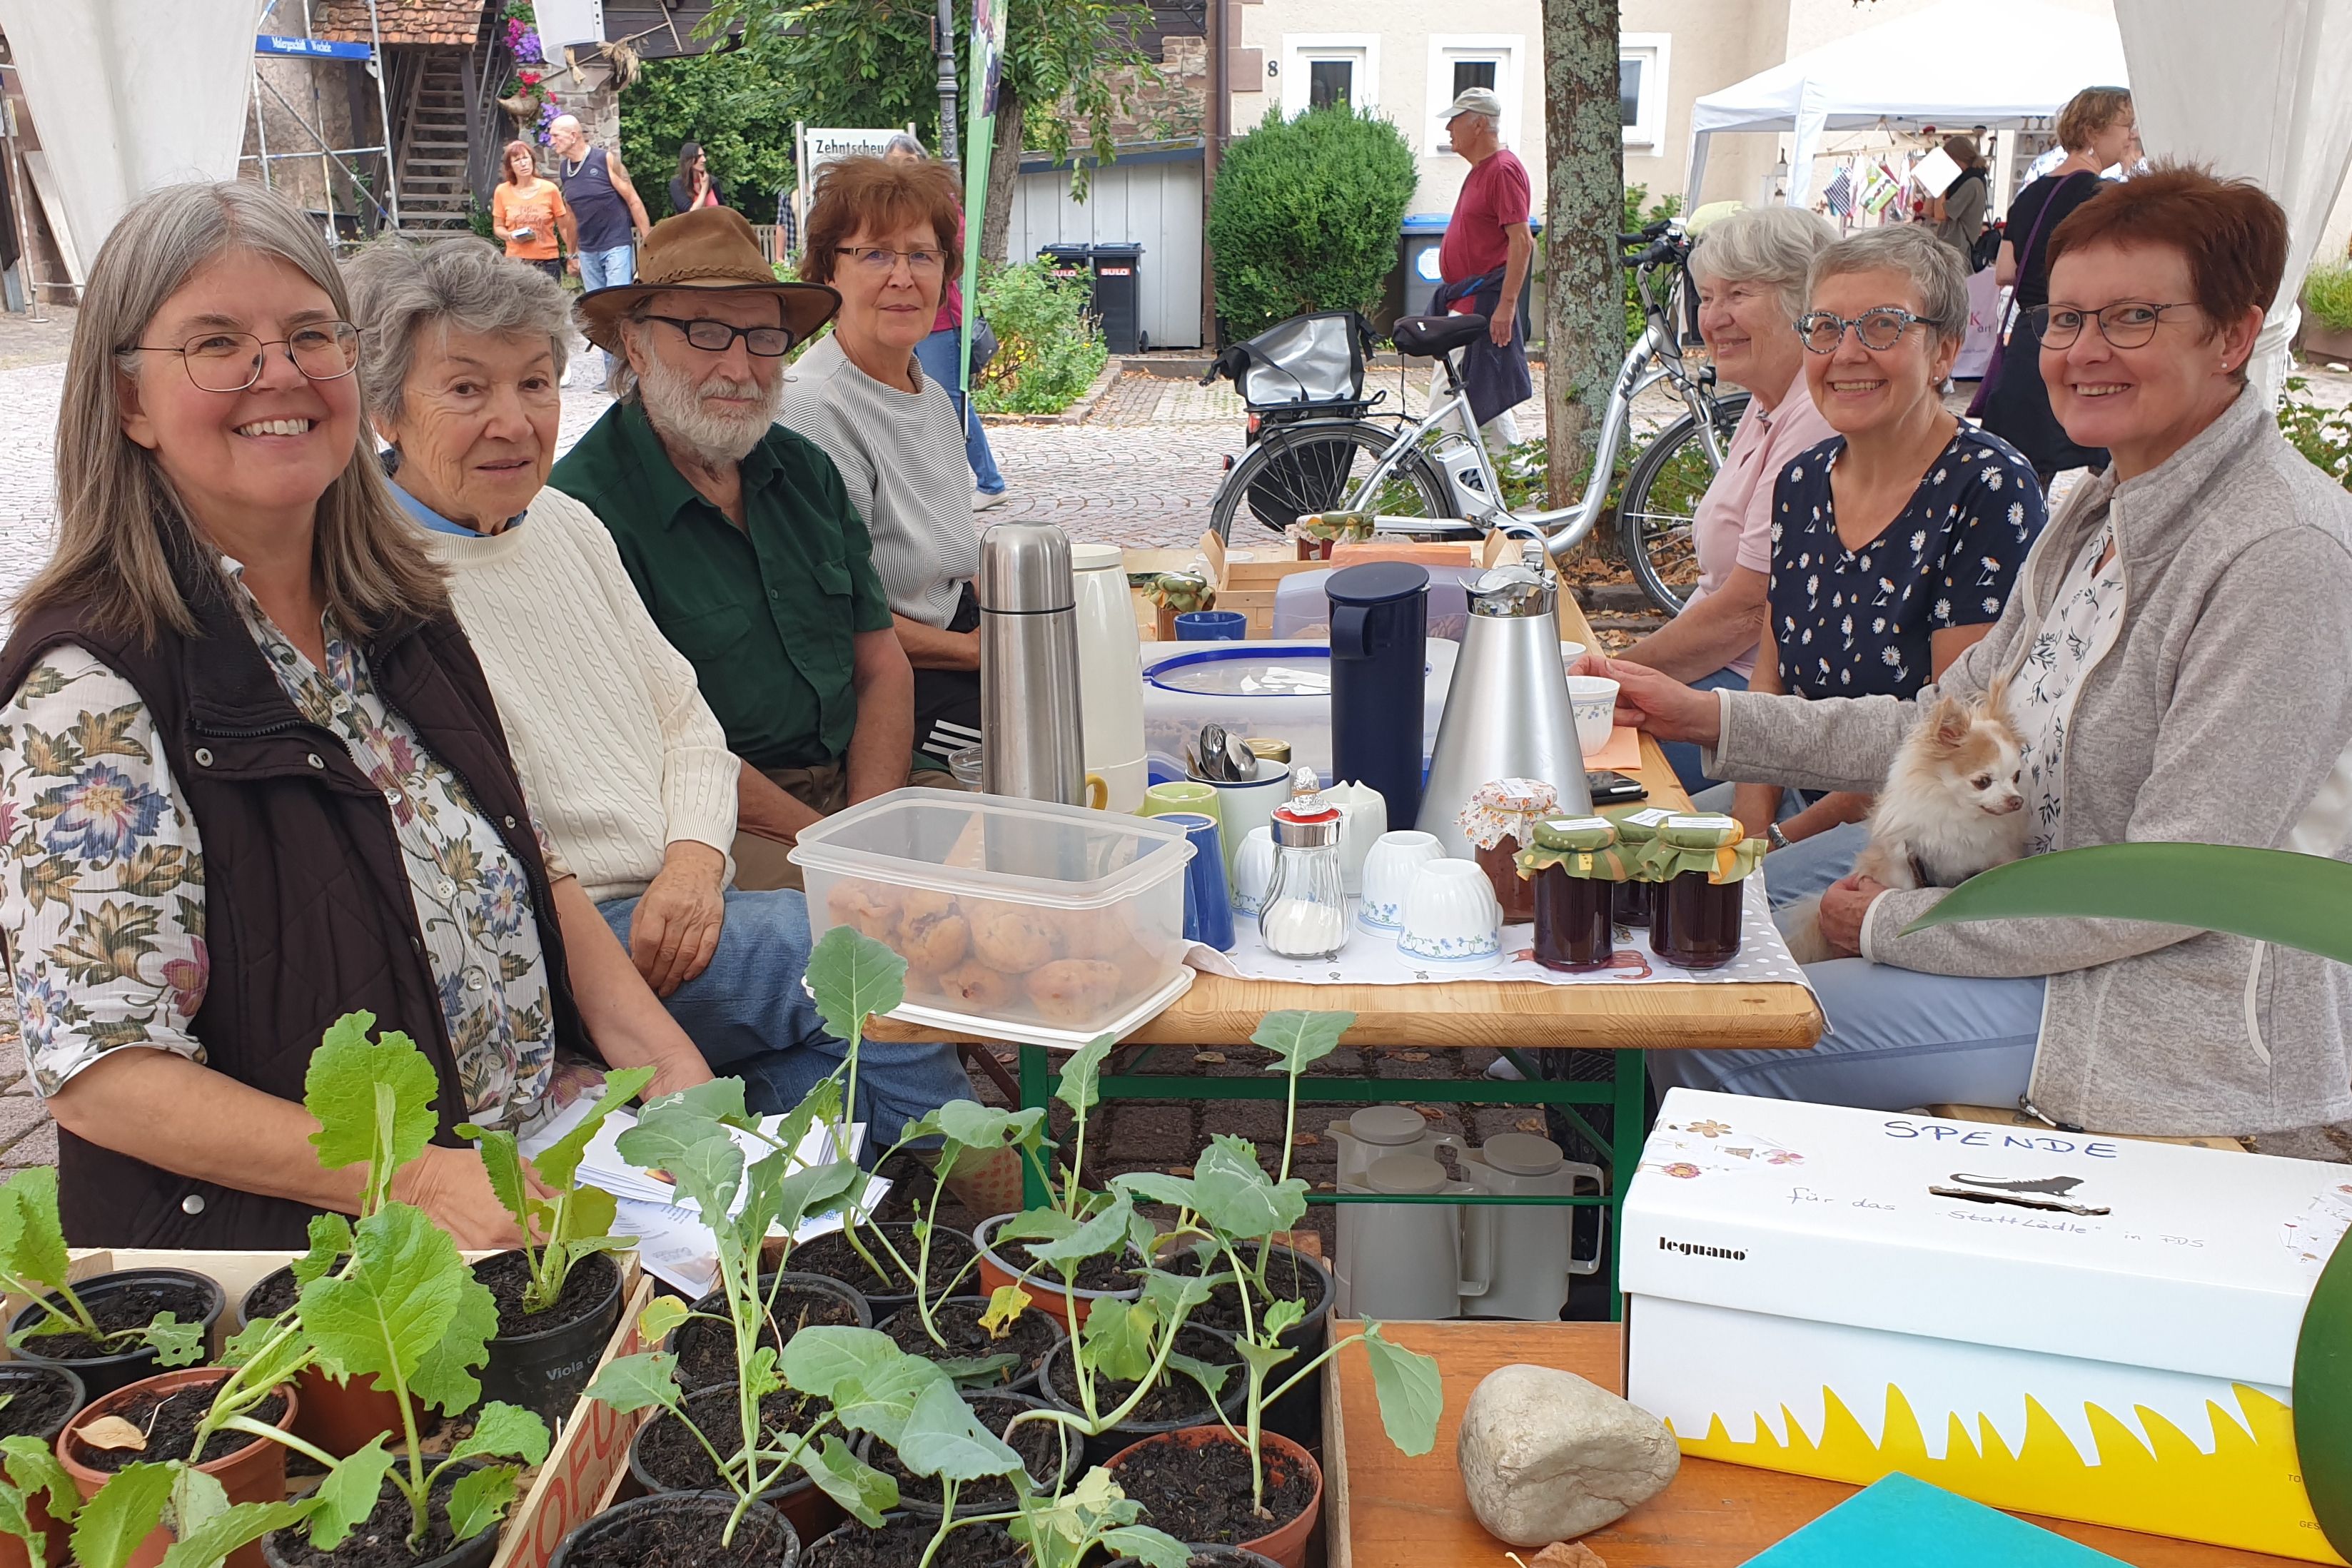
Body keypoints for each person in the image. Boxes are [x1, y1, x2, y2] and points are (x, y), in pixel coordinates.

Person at [0, 181, 714, 1250]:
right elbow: (105, 1075)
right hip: (314, 1276)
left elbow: (531, 865)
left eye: (307, 335)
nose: (277, 373)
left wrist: (673, 1078)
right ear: (127, 401)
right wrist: (415, 1182)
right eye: (214, 343)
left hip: (526, 1180)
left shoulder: (396, 614)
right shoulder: (92, 687)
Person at [1613, 167, 2352, 1139]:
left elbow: (2172, 884)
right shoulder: (2096, 508)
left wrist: (1890, 924)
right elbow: (1936, 722)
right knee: (1684, 937)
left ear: (2230, 335)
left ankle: (1746, 1276)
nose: (2082, 351)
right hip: (1996, 901)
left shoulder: (2278, 553)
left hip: (2150, 1008)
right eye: (2062, 319)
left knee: (1713, 1031)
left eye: (2130, 317)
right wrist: (1706, 716)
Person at [341, 235, 971, 1137]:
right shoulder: (380, 577)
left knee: (826, 1077)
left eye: (533, 384)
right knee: (862, 953)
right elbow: (490, 826)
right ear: (385, 410)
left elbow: (685, 721)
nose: (513, 422)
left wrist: (693, 860)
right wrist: (700, 870)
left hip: (683, 886)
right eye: (467, 389)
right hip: (582, 935)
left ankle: (812, 1192)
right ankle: (987, 1191)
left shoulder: (562, 522)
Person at [548, 207, 923, 894]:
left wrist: (869, 825)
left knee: (1028, 858)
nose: (740, 366)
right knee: (881, 932)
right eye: (706, 332)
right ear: (635, 346)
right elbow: (663, 750)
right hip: (713, 823)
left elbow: (881, 665)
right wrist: (841, 855)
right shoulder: (583, 514)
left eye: (762, 336)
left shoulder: (802, 470)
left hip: (858, 787)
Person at [1720, 225, 2044, 848]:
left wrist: (1776, 848)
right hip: (1798, 790)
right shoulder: (1802, 479)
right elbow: (1770, 679)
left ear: (1944, 353)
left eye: (1882, 326)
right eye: (1824, 328)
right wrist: (1744, 835)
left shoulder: (1989, 488)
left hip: (1918, 821)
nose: (1846, 353)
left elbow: (1950, 743)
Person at [1615, 206, 1838, 796]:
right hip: (1728, 681)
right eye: (1706, 296)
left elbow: (1746, 610)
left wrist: (1610, 677)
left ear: (1805, 302)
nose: (1711, 318)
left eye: (1737, 294)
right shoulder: (1768, 402)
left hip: (1764, 703)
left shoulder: (1815, 418)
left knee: (1567, 753)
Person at [782, 155, 985, 773]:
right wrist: (982, 653)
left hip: (955, 637)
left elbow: (951, 557)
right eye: (874, 254)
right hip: (891, 679)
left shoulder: (928, 396)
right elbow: (834, 619)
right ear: (828, 271)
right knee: (1031, 762)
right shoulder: (813, 409)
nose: (903, 277)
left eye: (921, 255)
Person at [1982, 86, 2140, 490]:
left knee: (2029, 472)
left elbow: (2004, 271)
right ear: (2094, 130)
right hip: (2084, 335)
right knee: (2109, 465)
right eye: (2128, 127)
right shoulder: (2105, 197)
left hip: (2033, 338)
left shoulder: (2031, 192)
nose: (2132, 137)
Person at [882, 133, 1009, 510]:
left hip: (940, 320)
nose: (898, 172)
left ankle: (989, 481)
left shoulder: (942, 205)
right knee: (907, 400)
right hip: (902, 316)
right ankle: (930, 485)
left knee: (951, 403)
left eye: (905, 163)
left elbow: (955, 256)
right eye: (891, 164)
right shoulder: (888, 211)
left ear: (922, 165)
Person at [1433, 86, 1534, 448]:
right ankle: (1513, 472)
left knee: (1448, 402)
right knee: (1481, 398)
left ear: (1478, 125)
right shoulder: (1482, 170)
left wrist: (1506, 307)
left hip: (1481, 304)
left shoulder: (1503, 170)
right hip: (1463, 303)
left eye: (1454, 122)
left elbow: (1522, 241)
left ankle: (1447, 484)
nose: (1448, 131)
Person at [549, 113, 652, 385]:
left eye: (555, 135)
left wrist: (649, 241)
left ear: (573, 135)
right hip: (588, 249)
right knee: (600, 311)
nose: (552, 141)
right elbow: (570, 216)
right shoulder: (564, 170)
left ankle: (628, 373)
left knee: (617, 305)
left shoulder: (604, 160)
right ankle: (612, 376)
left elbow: (633, 199)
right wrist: (572, 253)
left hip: (616, 244)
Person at [490, 140, 577, 281]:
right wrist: (510, 236)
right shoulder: (502, 191)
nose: (523, 163)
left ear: (532, 160)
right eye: (517, 160)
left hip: (547, 261)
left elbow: (564, 228)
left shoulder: (550, 189)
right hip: (516, 262)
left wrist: (573, 255)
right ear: (510, 167)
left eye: (526, 158)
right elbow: (498, 227)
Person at [1927, 133, 1990, 270]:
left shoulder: (1972, 183)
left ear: (1957, 159)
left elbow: (1941, 214)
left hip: (1957, 252)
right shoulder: (1964, 181)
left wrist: (1942, 184)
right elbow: (1927, 211)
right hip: (1951, 250)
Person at [669, 142, 725, 216]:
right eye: (699, 156)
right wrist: (704, 189)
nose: (704, 160)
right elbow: (692, 214)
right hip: (691, 227)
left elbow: (723, 209)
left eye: (703, 155)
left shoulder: (713, 182)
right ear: (689, 159)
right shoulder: (677, 184)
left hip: (715, 226)